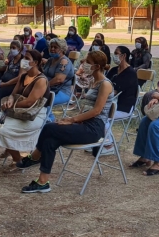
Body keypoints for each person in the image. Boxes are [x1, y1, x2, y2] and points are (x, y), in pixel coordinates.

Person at [16, 50, 115, 193]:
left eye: (88, 62)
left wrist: (72, 119)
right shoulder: (94, 81)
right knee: (50, 141)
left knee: (49, 127)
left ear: (97, 66)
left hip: (94, 128)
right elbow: (87, 108)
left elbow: (97, 111)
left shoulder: (105, 84)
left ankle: (35, 156)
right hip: (83, 124)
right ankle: (43, 182)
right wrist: (74, 121)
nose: (83, 64)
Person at [0, 50, 49, 168]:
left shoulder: (41, 80)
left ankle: (17, 159)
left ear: (36, 62)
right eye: (24, 58)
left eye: (27, 58)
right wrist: (9, 101)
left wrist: (11, 106)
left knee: (2, 129)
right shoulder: (23, 76)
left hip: (33, 115)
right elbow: (13, 94)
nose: (24, 60)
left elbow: (29, 102)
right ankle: (11, 149)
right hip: (16, 110)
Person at [43, 38, 74, 120]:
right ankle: (47, 119)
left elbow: (59, 79)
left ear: (62, 49)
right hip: (49, 89)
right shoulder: (50, 60)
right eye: (51, 47)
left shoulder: (64, 61)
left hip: (62, 91)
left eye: (55, 47)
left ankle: (49, 119)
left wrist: (43, 86)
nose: (52, 49)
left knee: (42, 101)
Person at [0, 40, 24, 108]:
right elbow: (6, 71)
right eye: (10, 48)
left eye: (14, 48)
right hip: (5, 81)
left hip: (13, 85)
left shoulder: (22, 61)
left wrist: (6, 84)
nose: (11, 50)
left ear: (19, 49)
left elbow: (20, 77)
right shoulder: (12, 59)